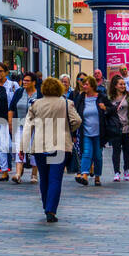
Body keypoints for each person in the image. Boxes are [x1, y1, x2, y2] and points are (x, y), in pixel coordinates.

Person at [20, 76, 83, 222]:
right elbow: (77, 121)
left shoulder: (36, 104)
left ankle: (46, 206)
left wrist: (23, 147)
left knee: (44, 178)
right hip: (60, 145)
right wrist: (68, 129)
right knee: (55, 178)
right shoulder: (67, 103)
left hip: (40, 146)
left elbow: (28, 127)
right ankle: (51, 210)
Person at [72, 75, 111, 186]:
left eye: (86, 84)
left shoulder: (101, 97)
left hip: (99, 132)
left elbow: (112, 110)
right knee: (86, 153)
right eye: (83, 84)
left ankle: (97, 176)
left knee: (97, 155)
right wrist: (74, 133)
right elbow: (75, 115)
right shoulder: (81, 98)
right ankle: (84, 175)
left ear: (93, 86)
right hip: (85, 131)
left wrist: (105, 108)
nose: (84, 86)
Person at [106, 76, 129, 182]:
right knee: (116, 151)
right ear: (115, 85)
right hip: (115, 129)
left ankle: (126, 170)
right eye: (121, 84)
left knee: (127, 151)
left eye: (124, 84)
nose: (123, 86)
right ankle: (116, 172)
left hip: (127, 128)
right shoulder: (110, 98)